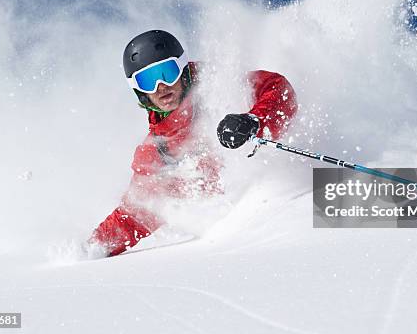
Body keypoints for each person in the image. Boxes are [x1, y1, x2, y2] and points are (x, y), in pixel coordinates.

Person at [88, 30, 297, 256]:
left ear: (183, 68)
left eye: (167, 72)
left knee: (333, 211)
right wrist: (92, 249)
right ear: (139, 90)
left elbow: (277, 87)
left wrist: (254, 120)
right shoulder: (158, 151)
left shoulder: (215, 83)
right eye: (148, 80)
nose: (160, 86)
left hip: (294, 188)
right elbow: (135, 214)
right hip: (250, 233)